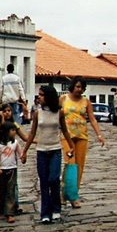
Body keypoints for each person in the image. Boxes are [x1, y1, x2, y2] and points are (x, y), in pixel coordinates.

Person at [21, 84, 75, 223]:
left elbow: (64, 130)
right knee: (44, 182)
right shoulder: (38, 113)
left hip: (55, 150)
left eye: (41, 94)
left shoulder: (59, 112)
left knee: (53, 179)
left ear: (49, 96)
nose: (39, 97)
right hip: (41, 151)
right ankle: (45, 213)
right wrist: (25, 151)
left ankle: (56, 209)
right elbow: (32, 133)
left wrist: (71, 146)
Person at [60, 78, 106, 207]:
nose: (79, 89)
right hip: (67, 136)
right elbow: (56, 114)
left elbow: (92, 119)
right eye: (77, 86)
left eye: (81, 87)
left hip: (81, 136)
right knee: (70, 164)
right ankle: (64, 193)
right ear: (72, 86)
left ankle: (74, 196)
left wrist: (99, 134)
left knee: (79, 167)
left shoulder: (86, 101)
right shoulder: (63, 99)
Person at [0, 123, 23, 223]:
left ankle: (10, 212)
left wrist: (23, 157)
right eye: (12, 130)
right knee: (2, 190)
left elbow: (20, 153)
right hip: (2, 170)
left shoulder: (15, 143)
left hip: (12, 169)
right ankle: (1, 209)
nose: (14, 132)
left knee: (11, 190)